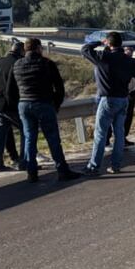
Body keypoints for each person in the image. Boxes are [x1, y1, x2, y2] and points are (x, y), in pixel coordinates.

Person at [9, 38, 81, 183]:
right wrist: (56, 104)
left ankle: (32, 172)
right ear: (38, 48)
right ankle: (62, 170)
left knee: (29, 138)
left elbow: (10, 90)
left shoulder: (16, 65)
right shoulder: (47, 64)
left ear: (25, 50)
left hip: (24, 104)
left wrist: (18, 104)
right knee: (53, 138)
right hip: (44, 103)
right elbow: (59, 88)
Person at [82, 32, 135, 175]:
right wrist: (133, 93)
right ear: (121, 44)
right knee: (119, 134)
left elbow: (85, 50)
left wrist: (99, 42)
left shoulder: (105, 58)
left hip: (107, 99)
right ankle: (115, 165)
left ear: (109, 43)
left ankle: (93, 166)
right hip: (123, 99)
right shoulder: (129, 61)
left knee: (100, 133)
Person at [0, 42, 25, 172]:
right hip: (11, 104)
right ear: (21, 51)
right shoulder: (18, 63)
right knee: (26, 130)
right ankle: (24, 161)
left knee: (0, 133)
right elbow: (17, 85)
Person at [106, 45, 135, 147]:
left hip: (129, 95)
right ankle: (108, 139)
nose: (129, 54)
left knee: (127, 119)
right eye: (127, 52)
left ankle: (122, 138)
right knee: (112, 119)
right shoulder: (119, 64)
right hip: (119, 95)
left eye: (131, 53)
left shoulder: (132, 64)